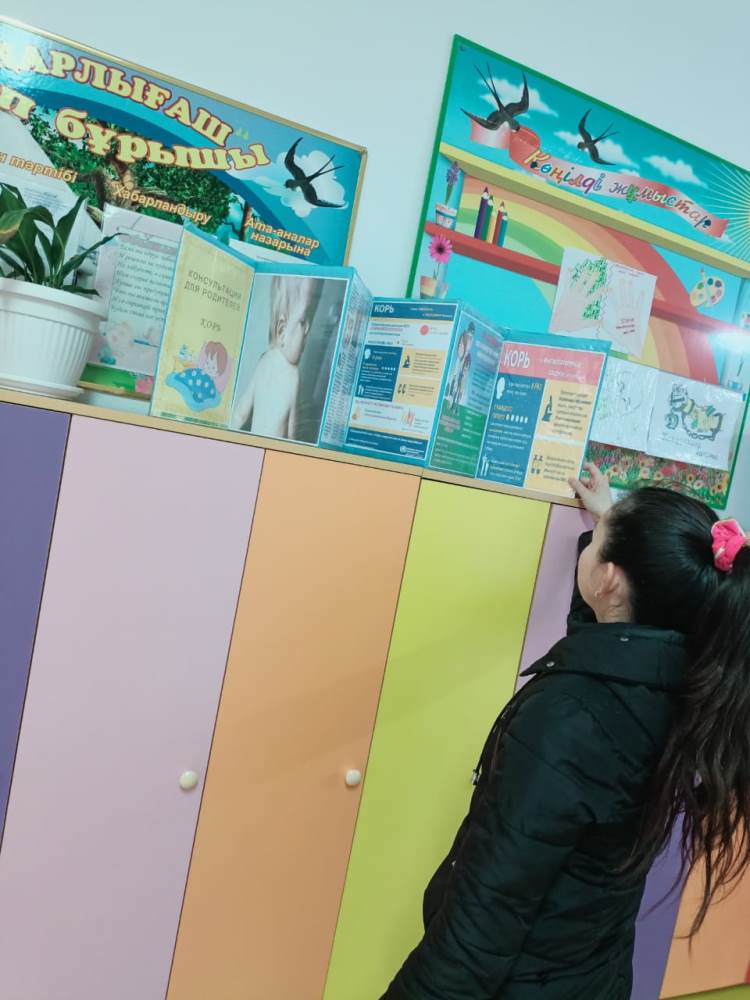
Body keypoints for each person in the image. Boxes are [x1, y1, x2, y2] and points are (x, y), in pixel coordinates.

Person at [382, 464, 750, 999]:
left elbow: (488, 910)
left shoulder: (567, 719)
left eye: (597, 545)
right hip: (592, 974)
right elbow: (607, 639)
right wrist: (608, 523)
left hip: (525, 981)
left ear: (609, 579)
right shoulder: (683, 686)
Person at [232, 275, 322, 438]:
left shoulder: (264, 361)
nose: (308, 328)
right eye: (303, 321)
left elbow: (241, 413)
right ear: (282, 331)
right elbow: (292, 430)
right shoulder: (293, 375)